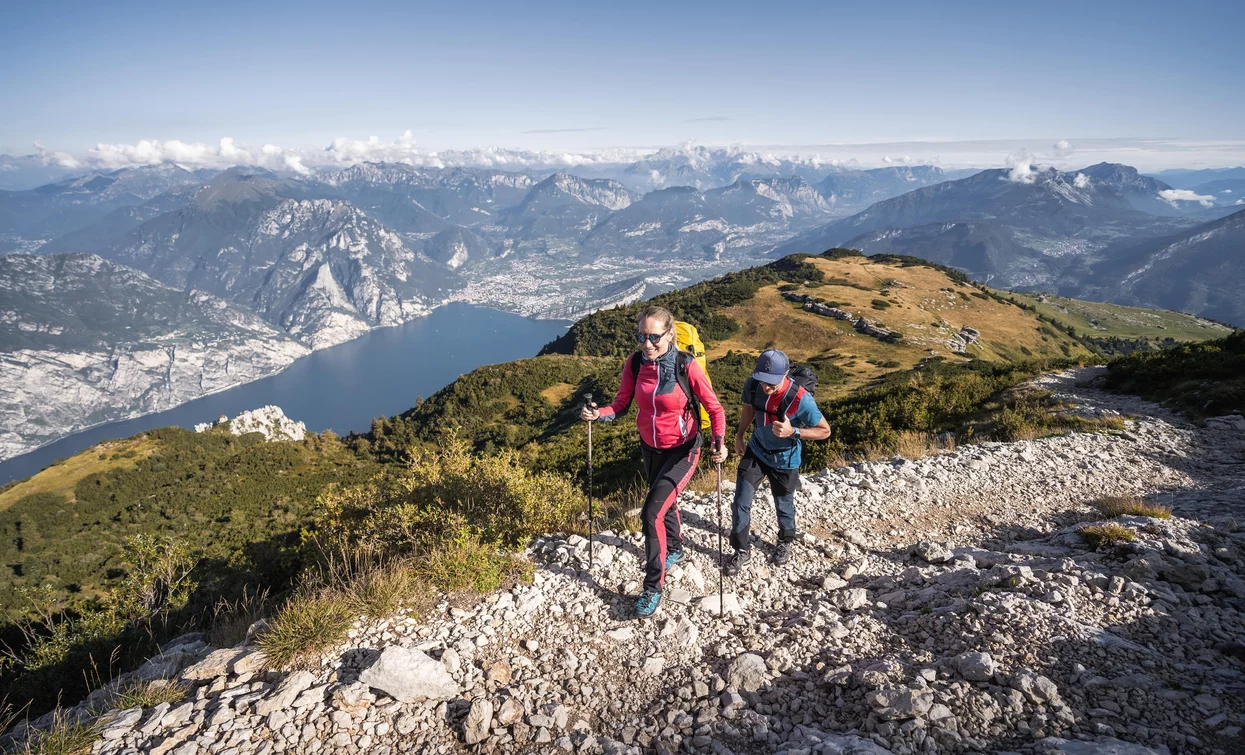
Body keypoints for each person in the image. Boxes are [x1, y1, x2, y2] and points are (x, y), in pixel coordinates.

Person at [580, 305, 727, 617]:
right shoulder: (635, 363)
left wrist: (719, 442)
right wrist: (598, 414)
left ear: (670, 335)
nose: (647, 343)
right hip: (650, 448)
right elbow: (621, 404)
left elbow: (715, 408)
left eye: (654, 337)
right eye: (641, 336)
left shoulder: (686, 366)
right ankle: (674, 548)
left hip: (683, 450)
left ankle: (652, 587)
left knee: (650, 513)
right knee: (666, 503)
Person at [725, 349, 831, 574]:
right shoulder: (753, 385)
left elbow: (825, 431)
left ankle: (785, 541)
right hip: (756, 451)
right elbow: (749, 410)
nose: (765, 387)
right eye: (762, 381)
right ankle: (741, 550)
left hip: (785, 459)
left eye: (771, 383)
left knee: (783, 504)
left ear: (785, 375)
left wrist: (794, 431)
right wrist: (740, 436)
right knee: (740, 501)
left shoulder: (802, 398)